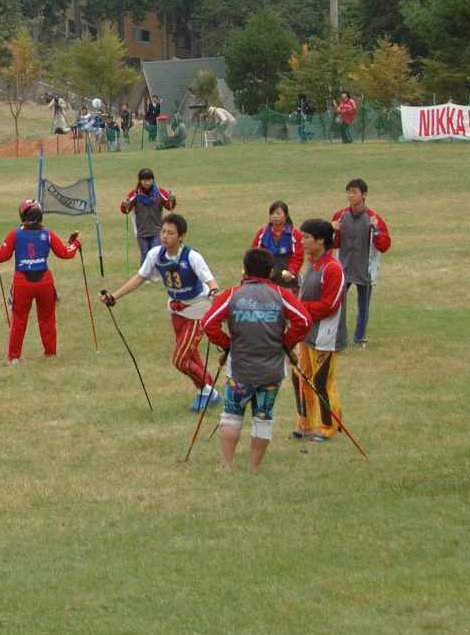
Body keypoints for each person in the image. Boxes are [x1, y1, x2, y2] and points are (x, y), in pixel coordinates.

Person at [199, 249, 312, 472]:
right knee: (263, 417)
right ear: (271, 272)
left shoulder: (233, 295)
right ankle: (254, 466)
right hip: (272, 370)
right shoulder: (281, 295)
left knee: (231, 415)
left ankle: (227, 464)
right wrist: (285, 343)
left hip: (240, 369)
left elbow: (208, 323)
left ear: (244, 270)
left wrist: (227, 344)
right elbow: (304, 321)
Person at [100, 215, 220, 410]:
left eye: (170, 233)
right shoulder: (156, 254)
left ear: (181, 236)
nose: (164, 236)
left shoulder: (191, 256)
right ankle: (204, 391)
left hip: (197, 310)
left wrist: (214, 291)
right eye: (163, 231)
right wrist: (114, 296)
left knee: (180, 359)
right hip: (176, 309)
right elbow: (140, 277)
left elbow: (210, 280)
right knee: (191, 355)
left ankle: (209, 390)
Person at [0, 201, 81, 363]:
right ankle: (50, 352)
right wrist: (76, 243)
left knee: (19, 320)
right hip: (45, 282)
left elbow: (2, 257)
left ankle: (14, 357)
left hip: (22, 282)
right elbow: (65, 253)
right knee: (47, 319)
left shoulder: (15, 234)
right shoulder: (47, 233)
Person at [290, 218, 348, 442]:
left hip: (327, 336)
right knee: (299, 377)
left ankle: (328, 426)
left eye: (306, 237)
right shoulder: (313, 263)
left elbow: (329, 305)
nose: (301, 241)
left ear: (321, 240)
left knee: (322, 382)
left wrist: (300, 307)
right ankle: (305, 424)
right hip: (307, 333)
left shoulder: (332, 268)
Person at [333, 179, 392, 346]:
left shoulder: (373, 218)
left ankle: (359, 337)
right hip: (343, 268)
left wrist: (376, 230)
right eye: (348, 192)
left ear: (364, 195)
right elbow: (333, 244)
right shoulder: (340, 216)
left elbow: (384, 245)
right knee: (338, 304)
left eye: (354, 192)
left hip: (364, 269)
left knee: (363, 306)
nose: (350, 196)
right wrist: (333, 230)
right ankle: (339, 337)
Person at [120, 168, 178, 259]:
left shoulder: (159, 191)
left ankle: (156, 273)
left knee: (155, 254)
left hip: (157, 229)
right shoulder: (135, 193)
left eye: (149, 180)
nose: (147, 183)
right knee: (145, 256)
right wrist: (125, 204)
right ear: (140, 181)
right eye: (144, 180)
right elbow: (124, 210)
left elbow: (169, 206)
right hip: (141, 231)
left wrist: (172, 199)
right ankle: (144, 273)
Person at [253, 203, 301, 288]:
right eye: (272, 214)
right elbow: (254, 254)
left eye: (278, 213)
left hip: (288, 281)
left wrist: (291, 272)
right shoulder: (262, 233)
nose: (274, 216)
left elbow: (298, 256)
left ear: (286, 215)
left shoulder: (294, 234)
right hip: (267, 281)